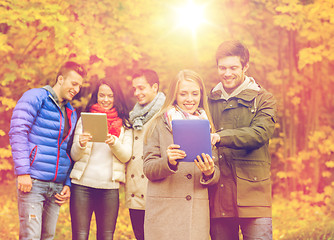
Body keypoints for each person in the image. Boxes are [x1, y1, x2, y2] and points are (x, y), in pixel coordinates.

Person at [9, 61, 87, 240]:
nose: (76, 89)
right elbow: (17, 132)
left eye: (79, 86)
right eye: (73, 83)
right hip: (33, 182)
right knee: (31, 236)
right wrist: (23, 172)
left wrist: (67, 182)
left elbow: (67, 149)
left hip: (56, 187)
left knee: (48, 236)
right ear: (61, 79)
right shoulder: (35, 97)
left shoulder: (70, 112)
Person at [208, 40, 277, 240]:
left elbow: (260, 133)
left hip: (254, 193)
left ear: (245, 66)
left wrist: (221, 137)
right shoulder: (208, 100)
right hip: (218, 196)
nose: (227, 73)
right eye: (222, 68)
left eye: (233, 68)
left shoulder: (263, 98)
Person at [143, 69, 220, 240]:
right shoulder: (158, 123)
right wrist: (168, 162)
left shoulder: (207, 125)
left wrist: (210, 172)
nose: (190, 99)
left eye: (195, 93)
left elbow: (216, 173)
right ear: (174, 95)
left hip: (195, 213)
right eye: (183, 94)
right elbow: (148, 169)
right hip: (165, 213)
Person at [69, 79, 133, 240]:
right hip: (82, 186)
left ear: (116, 97)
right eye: (102, 95)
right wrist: (81, 144)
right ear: (96, 96)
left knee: (106, 237)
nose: (105, 99)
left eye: (110, 96)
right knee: (80, 236)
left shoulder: (124, 124)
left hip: (109, 189)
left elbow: (126, 156)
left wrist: (115, 143)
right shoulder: (85, 119)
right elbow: (74, 155)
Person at [126, 69, 166, 240]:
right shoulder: (135, 116)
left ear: (154, 87)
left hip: (157, 189)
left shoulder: (165, 113)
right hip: (135, 190)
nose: (137, 93)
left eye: (141, 88)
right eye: (135, 89)